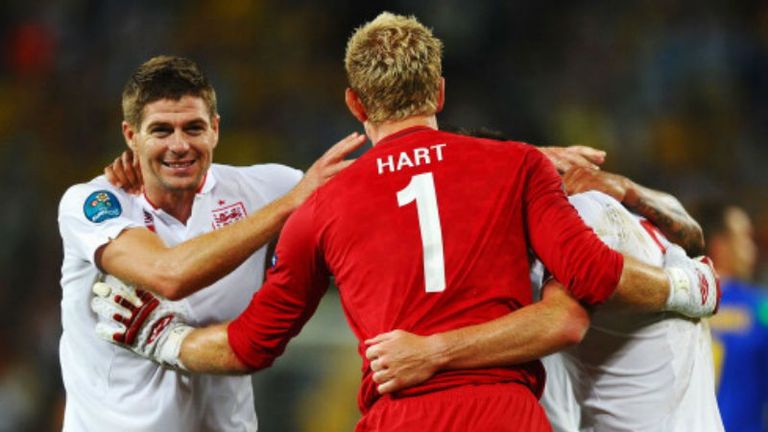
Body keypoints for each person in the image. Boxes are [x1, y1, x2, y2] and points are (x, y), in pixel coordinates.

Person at [91, 13, 718, 431]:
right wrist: (689, 286)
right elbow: (589, 276)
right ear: (440, 92)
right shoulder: (517, 166)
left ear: (355, 103)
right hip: (507, 412)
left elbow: (254, 343)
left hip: (401, 416)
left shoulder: (324, 204)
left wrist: (161, 339)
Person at [57, 55, 364, 431]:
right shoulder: (93, 204)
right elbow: (167, 274)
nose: (180, 145)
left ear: (215, 129)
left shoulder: (263, 188)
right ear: (130, 135)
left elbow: (371, 199)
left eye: (194, 127)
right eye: (160, 131)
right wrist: (289, 205)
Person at [364, 166, 724, 431]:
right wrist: (690, 287)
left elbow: (566, 316)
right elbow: (687, 237)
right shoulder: (566, 246)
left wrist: (431, 352)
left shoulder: (583, 215)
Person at [697, 203, 768, 432]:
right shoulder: (761, 308)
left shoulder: (672, 305)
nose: (752, 248)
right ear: (720, 245)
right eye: (744, 238)